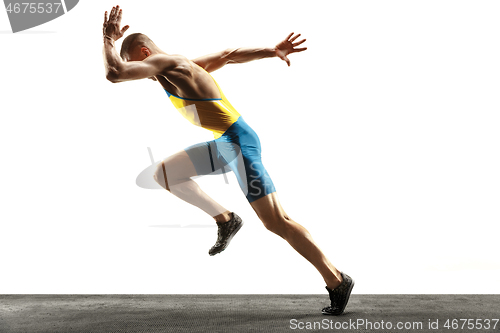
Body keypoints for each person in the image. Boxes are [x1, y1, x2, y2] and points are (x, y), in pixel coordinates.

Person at [102, 5, 354, 315]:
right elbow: (228, 54)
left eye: (136, 65)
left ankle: (337, 279)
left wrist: (108, 39)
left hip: (239, 141)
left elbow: (115, 73)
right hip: (224, 142)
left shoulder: (166, 63)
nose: (139, 74)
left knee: (276, 221)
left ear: (145, 52)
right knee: (165, 174)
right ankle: (226, 220)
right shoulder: (181, 68)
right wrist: (271, 50)